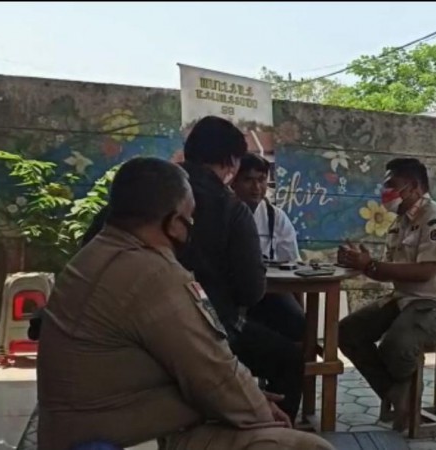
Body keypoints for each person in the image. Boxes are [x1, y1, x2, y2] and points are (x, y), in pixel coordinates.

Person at [36, 157, 333, 450]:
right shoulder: (152, 274)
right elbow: (212, 370)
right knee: (305, 446)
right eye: (189, 219)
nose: (190, 229)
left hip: (89, 426)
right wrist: (259, 409)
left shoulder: (95, 254)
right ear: (173, 222)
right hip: (121, 438)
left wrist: (248, 397)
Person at [80, 116, 303, 423]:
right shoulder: (229, 208)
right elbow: (250, 291)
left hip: (124, 333)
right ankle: (272, 432)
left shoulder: (143, 194)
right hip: (196, 335)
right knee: (287, 356)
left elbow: (90, 247)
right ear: (232, 164)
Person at [337, 158, 436, 431]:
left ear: (413, 187)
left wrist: (370, 265)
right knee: (347, 332)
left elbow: (426, 271)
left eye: (391, 185)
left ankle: (406, 402)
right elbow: (391, 272)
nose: (385, 191)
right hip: (405, 300)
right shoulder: (399, 223)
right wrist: (361, 262)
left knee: (398, 345)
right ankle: (399, 396)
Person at [230, 152, 305, 343]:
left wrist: (300, 310)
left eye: (262, 180)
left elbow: (293, 266)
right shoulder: (224, 214)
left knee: (298, 324)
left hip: (270, 293)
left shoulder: (276, 217)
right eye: (248, 180)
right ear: (233, 182)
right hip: (233, 294)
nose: (256, 187)